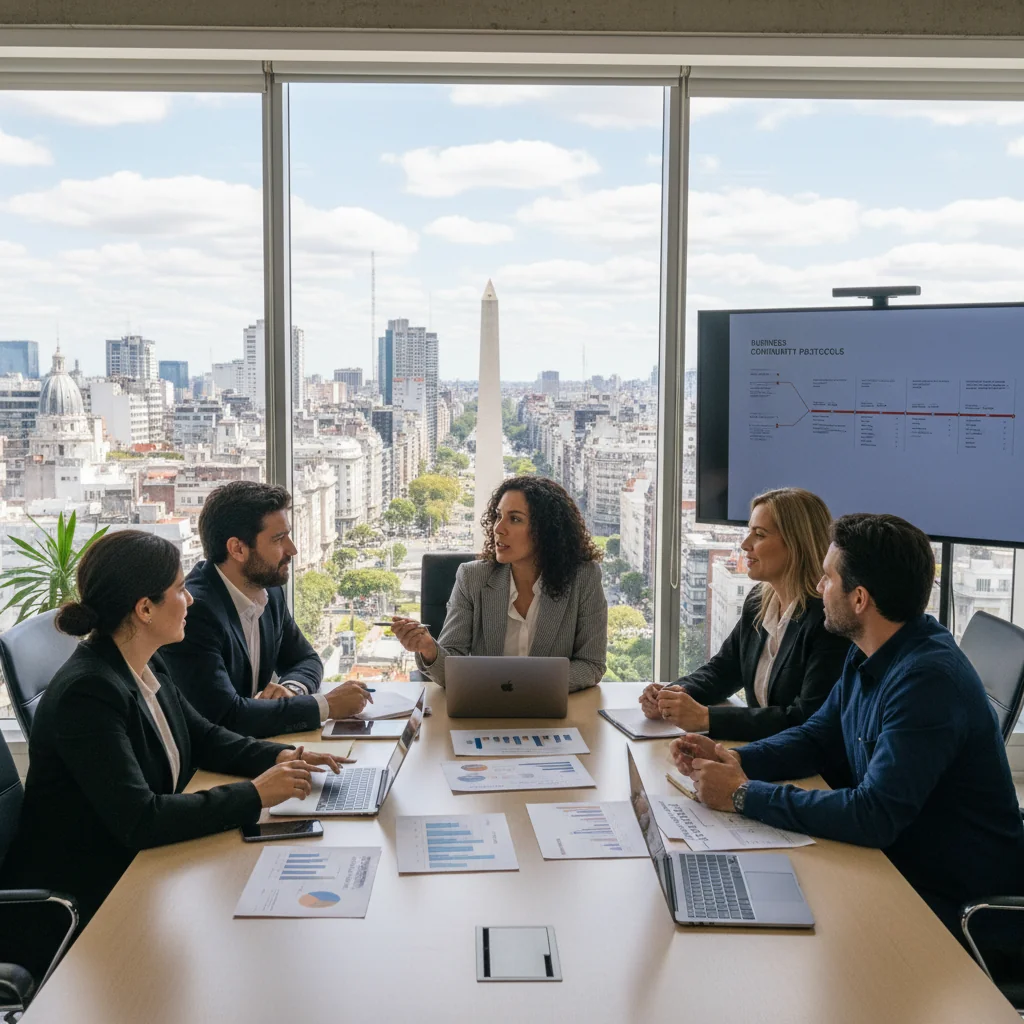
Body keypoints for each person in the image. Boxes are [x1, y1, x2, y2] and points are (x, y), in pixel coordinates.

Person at [669, 513, 1024, 938]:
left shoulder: (927, 682)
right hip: (892, 867)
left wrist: (742, 794)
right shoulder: (871, 648)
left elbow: (873, 815)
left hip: (953, 904)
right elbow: (817, 737)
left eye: (827, 579)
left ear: (859, 599)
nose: (818, 589)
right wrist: (734, 758)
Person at [0, 531, 346, 931]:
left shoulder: (145, 661)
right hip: (90, 897)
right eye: (181, 589)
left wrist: (280, 757)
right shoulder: (88, 692)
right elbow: (141, 819)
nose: (192, 599)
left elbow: (205, 738)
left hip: (144, 869)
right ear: (145, 609)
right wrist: (256, 793)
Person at [161, 481, 371, 738]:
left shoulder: (268, 591)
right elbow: (226, 716)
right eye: (279, 539)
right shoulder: (196, 613)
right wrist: (325, 706)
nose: (292, 549)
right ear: (237, 549)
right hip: (204, 772)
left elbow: (306, 659)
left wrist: (291, 690)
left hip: (256, 751)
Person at [639, 487, 850, 742]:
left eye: (759, 535)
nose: (745, 544)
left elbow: (805, 718)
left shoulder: (827, 620)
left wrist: (706, 718)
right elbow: (723, 671)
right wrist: (672, 695)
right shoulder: (758, 601)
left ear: (796, 544)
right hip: (762, 752)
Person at [391, 476, 607, 691]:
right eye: (498, 516)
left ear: (547, 530)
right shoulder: (472, 578)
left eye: (515, 519)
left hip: (554, 714)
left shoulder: (583, 578)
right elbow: (450, 668)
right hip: (483, 713)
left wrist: (524, 685)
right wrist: (429, 649)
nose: (498, 528)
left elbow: (591, 665)